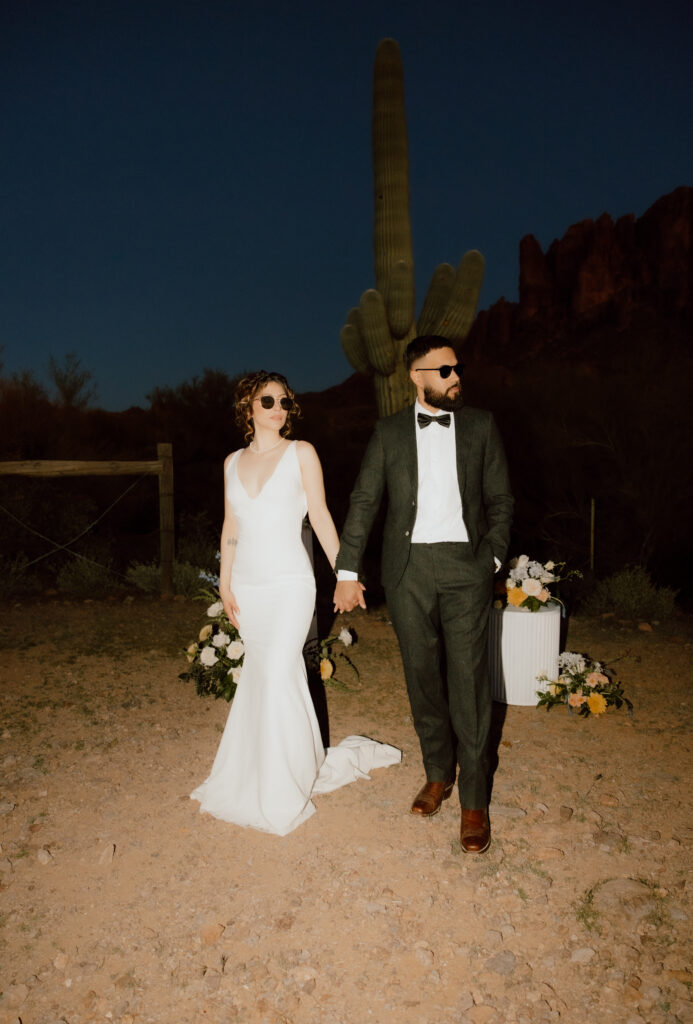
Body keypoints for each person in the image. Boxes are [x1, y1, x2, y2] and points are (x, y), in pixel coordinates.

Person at [191, 370, 400, 835]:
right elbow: (230, 528)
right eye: (269, 402)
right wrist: (225, 584)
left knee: (279, 671)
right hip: (248, 586)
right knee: (261, 676)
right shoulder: (230, 463)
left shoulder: (301, 453)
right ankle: (256, 773)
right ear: (248, 408)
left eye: (285, 401)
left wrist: (346, 574)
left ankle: (285, 782)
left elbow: (321, 515)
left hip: (290, 584)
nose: (280, 409)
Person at [333, 336, 513, 853]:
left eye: (458, 368)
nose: (456, 377)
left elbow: (501, 499)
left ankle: (474, 800)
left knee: (470, 679)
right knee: (421, 675)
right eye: (445, 370)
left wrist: (493, 559)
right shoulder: (389, 432)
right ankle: (439, 772)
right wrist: (348, 569)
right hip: (408, 571)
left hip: (466, 567)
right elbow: (365, 499)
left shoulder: (481, 425)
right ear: (416, 376)